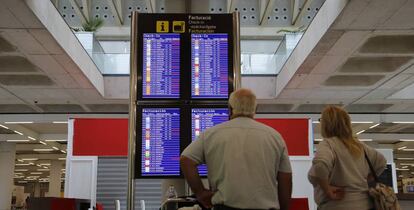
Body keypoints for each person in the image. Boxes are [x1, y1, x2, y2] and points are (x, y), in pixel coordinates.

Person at [180, 88, 292, 210]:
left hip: (225, 207)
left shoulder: (212, 134)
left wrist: (200, 193)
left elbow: (186, 160)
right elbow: (285, 178)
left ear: (230, 109)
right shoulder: (274, 136)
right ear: (255, 109)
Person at [308, 105, 387, 210]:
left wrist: (327, 189)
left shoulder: (328, 144)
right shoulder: (360, 146)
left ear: (326, 124)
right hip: (365, 205)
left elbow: (320, 165)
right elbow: (381, 162)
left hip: (336, 205)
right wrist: (364, 179)